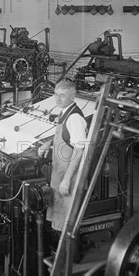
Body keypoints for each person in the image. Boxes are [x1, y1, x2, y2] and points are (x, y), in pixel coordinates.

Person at [38, 80, 88, 234]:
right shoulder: (65, 111)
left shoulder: (74, 118)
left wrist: (66, 180)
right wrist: (49, 143)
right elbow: (66, 136)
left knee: (67, 220)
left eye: (63, 96)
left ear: (72, 97)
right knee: (59, 214)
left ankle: (69, 254)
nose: (58, 99)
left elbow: (79, 151)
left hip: (69, 175)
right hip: (60, 172)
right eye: (56, 94)